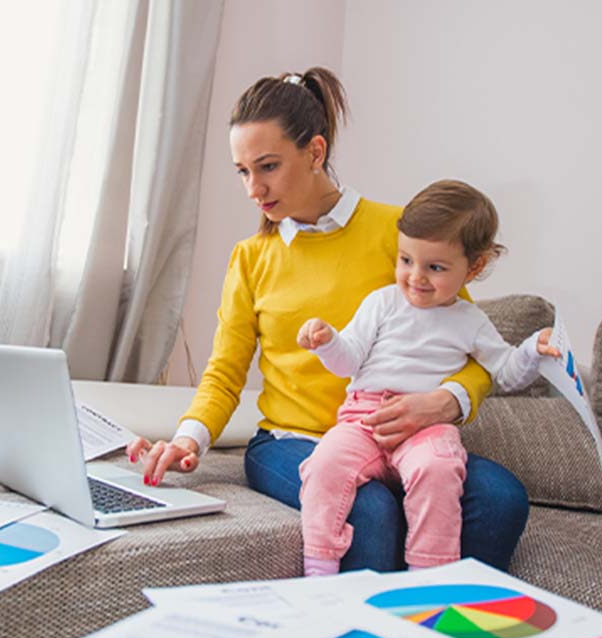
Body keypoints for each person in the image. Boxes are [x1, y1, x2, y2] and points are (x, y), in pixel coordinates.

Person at [126, 67, 531, 572]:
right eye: (243, 171)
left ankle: (442, 626)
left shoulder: (399, 232)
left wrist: (444, 402)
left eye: (268, 166)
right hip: (289, 440)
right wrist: (188, 439)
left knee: (502, 499)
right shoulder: (252, 257)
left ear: (315, 152)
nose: (254, 188)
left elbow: (467, 338)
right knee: (370, 511)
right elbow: (224, 375)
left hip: (399, 437)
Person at [294, 179, 560, 576]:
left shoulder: (470, 321)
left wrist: (531, 351)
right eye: (406, 260)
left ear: (474, 267)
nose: (415, 277)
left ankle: (429, 577)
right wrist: (326, 340)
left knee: (438, 469)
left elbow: (505, 373)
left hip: (427, 427)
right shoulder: (382, 302)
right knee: (324, 464)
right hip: (364, 418)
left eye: (434, 267)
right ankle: (319, 568)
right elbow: (347, 361)